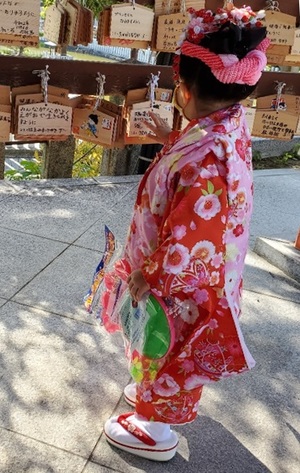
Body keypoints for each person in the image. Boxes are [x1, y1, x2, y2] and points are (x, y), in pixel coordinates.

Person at [90, 4, 270, 462]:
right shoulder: (224, 127)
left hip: (178, 280)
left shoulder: (206, 155)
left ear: (182, 90)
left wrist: (148, 275)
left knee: (167, 344)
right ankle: (153, 399)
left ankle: (154, 429)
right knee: (158, 342)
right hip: (195, 274)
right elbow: (198, 161)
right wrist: (172, 136)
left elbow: (189, 238)